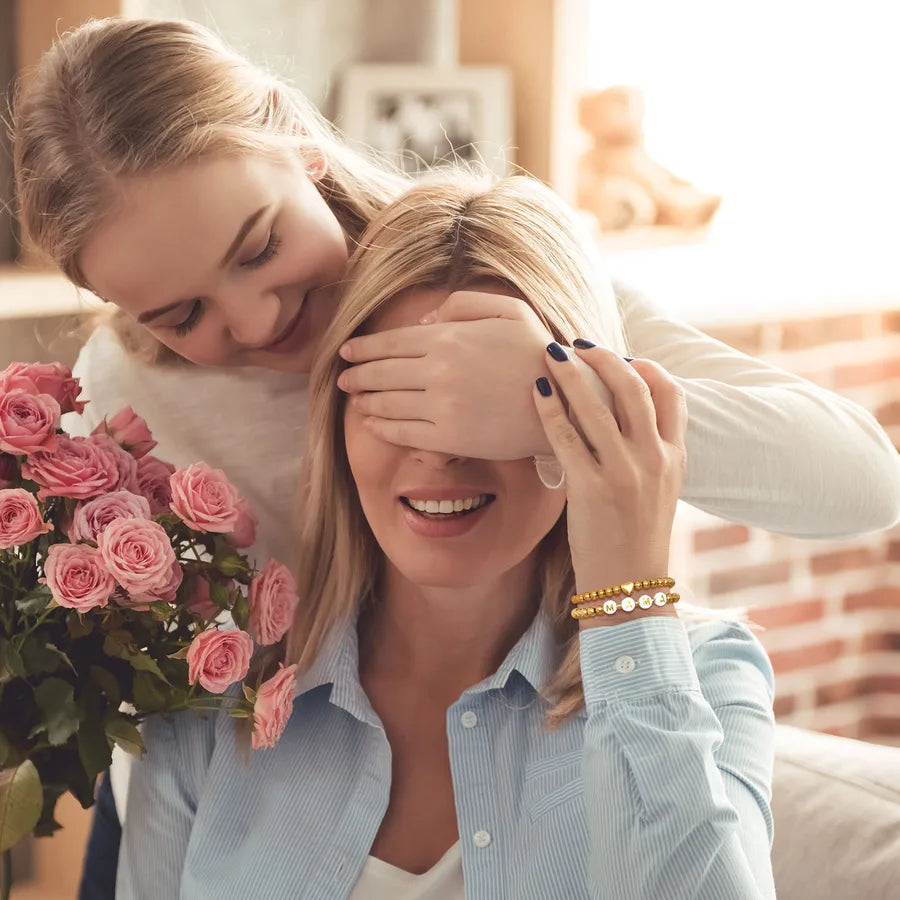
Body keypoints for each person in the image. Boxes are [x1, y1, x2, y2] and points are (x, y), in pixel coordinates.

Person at [9, 17, 898, 896]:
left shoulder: (502, 276)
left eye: (261, 247)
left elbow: (865, 482)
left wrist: (565, 398)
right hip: (227, 774)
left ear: (295, 138)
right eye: (181, 315)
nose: (254, 321)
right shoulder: (132, 385)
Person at [117, 172, 776, 899]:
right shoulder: (219, 694)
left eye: (490, 407)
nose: (441, 453)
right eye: (404, 398)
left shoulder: (708, 676)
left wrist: (629, 594)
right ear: (335, 422)